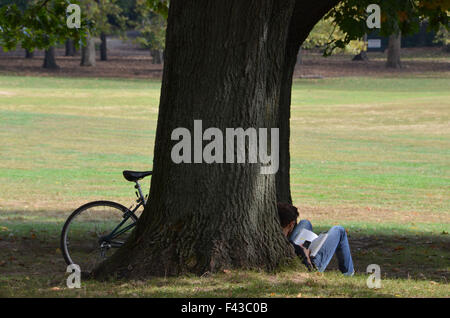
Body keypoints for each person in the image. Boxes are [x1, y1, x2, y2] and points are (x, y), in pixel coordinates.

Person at [277, 202, 354, 276]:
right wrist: (306, 255)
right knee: (339, 230)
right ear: (291, 224)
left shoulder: (278, 239)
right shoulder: (294, 247)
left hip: (297, 250)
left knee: (305, 223)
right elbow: (308, 269)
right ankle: (348, 272)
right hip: (310, 264)